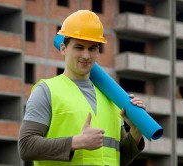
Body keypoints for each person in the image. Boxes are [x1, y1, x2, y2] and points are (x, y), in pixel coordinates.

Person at [18, 10, 146, 166]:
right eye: (79, 47)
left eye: (92, 48)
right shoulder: (46, 91)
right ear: (63, 48)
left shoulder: (111, 97)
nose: (86, 55)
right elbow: (26, 147)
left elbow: (118, 158)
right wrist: (76, 142)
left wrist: (136, 132)